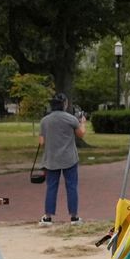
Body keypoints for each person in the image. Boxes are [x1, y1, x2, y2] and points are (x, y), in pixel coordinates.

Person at [38, 94, 84, 224]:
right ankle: (74, 216)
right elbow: (80, 134)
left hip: (51, 159)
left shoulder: (45, 121)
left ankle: (48, 217)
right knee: (72, 187)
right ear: (64, 104)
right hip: (69, 158)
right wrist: (83, 123)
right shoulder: (71, 119)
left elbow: (41, 141)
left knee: (51, 187)